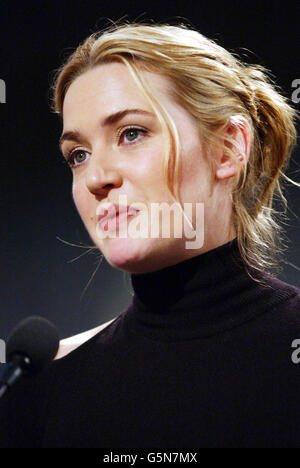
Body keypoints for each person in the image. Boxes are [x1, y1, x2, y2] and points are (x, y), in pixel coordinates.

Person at [1, 21, 300, 448]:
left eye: (131, 133)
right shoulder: (41, 384)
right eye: (78, 155)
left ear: (229, 148)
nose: (96, 178)